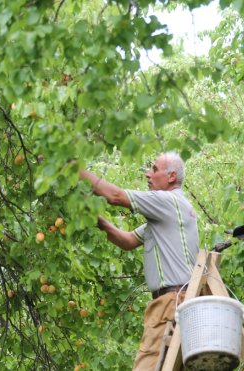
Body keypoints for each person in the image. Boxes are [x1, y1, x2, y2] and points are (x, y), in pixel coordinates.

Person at [79, 152, 199, 370]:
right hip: (177, 302)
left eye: (154, 169)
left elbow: (115, 196)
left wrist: (73, 170)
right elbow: (126, 241)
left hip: (170, 304)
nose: (148, 174)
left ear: (171, 176)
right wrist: (96, 219)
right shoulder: (165, 217)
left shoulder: (168, 201)